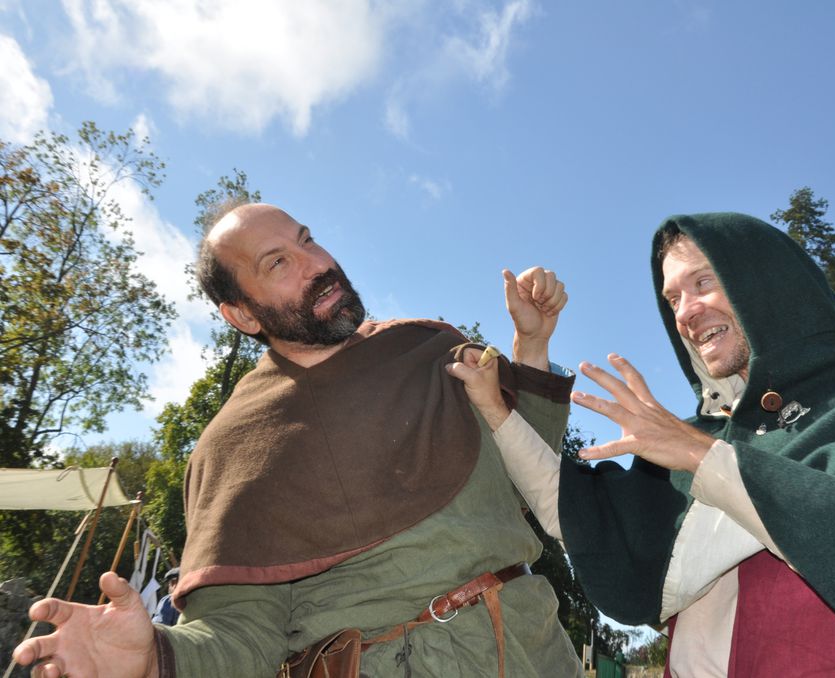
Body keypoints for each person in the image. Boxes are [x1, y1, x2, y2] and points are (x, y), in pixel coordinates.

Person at [13, 203, 582, 678]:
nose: (317, 264)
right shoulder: (233, 445)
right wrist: (154, 655)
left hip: (540, 645)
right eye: (278, 262)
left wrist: (532, 348)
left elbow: (533, 478)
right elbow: (241, 634)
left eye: (307, 240)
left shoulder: (427, 347)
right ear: (240, 314)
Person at [453, 212, 835, 677]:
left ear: (762, 285)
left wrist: (700, 456)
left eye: (703, 283)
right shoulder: (696, 439)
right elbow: (567, 508)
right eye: (672, 299)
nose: (686, 313)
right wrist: (496, 405)